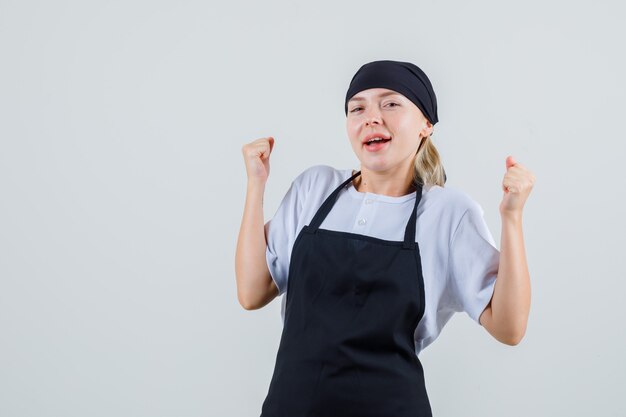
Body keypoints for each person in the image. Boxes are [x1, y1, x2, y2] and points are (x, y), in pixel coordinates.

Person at [235, 60, 535, 417]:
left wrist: (512, 218)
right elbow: (252, 292)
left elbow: (509, 327)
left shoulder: (447, 213)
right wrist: (256, 184)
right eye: (357, 108)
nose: (371, 117)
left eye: (391, 103)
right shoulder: (314, 189)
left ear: (426, 124)